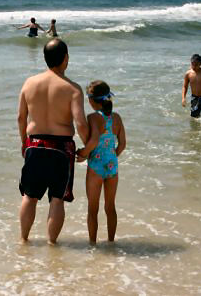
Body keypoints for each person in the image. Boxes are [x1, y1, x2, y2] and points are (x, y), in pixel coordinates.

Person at [17, 39, 89, 245]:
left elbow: (21, 118)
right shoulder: (72, 89)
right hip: (60, 149)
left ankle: (23, 240)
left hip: (34, 145)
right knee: (57, 198)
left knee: (29, 196)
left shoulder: (29, 83)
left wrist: (24, 142)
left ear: (45, 58)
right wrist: (87, 149)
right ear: (66, 58)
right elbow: (81, 123)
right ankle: (51, 244)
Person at [76, 80, 126, 245]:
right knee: (110, 207)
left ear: (91, 100)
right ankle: (111, 241)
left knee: (93, 209)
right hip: (112, 166)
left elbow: (94, 141)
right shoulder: (117, 118)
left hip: (96, 167)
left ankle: (93, 244)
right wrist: (112, 157)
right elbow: (123, 144)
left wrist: (83, 154)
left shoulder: (94, 118)